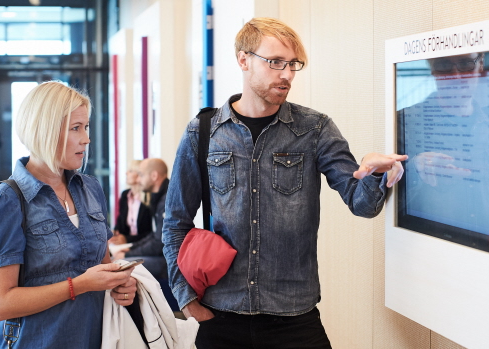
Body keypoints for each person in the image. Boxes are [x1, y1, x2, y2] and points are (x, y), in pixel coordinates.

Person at [162, 17, 407, 348]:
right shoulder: (203, 131)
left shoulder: (314, 129)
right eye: (275, 62)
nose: (287, 74)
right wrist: (184, 296)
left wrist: (375, 174)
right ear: (243, 59)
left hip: (292, 317)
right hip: (220, 313)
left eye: (293, 64)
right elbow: (175, 222)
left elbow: (362, 204)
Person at [0, 81, 137, 348]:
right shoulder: (5, 202)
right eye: (76, 128)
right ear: (44, 130)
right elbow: (1, 305)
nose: (86, 138)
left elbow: (103, 267)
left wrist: (121, 285)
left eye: (86, 127)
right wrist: (80, 285)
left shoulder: (90, 189)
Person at [397, 51, 489, 252]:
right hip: (429, 251)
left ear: (480, 65)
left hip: (485, 250)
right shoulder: (404, 123)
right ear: (432, 70)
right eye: (444, 65)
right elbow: (382, 196)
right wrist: (413, 169)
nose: (456, 76)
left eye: (466, 64)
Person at [122, 158, 169, 280]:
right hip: (161, 256)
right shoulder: (158, 198)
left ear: (154, 176)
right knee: (119, 262)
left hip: (170, 262)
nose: (138, 179)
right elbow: (155, 235)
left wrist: (127, 254)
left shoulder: (167, 200)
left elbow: (159, 244)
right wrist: (131, 248)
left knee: (121, 265)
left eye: (141, 175)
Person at [109, 160, 153, 250]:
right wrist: (115, 233)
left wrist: (127, 239)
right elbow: (121, 223)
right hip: (126, 245)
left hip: (143, 245)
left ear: (139, 175)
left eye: (130, 171)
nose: (126, 173)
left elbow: (151, 233)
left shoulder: (149, 198)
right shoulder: (125, 195)